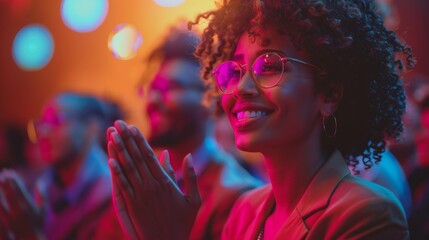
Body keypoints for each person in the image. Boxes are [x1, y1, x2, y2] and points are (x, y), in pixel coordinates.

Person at [106, 0, 414, 239]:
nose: (241, 87)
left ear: (329, 95)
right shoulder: (245, 211)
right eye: (234, 70)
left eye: (269, 66)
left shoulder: (367, 213)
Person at [107, 26, 261, 240]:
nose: (153, 101)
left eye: (169, 87)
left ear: (211, 98)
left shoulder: (237, 196)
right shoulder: (139, 183)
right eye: (152, 89)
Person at [0, 92, 122, 239]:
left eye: (56, 121)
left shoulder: (112, 197)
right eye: (42, 124)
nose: (43, 132)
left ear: (91, 129)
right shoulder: (40, 185)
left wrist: (29, 233)